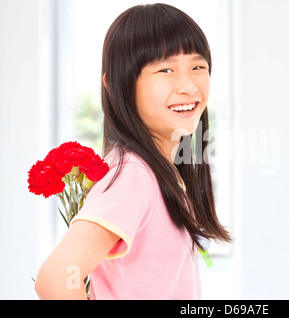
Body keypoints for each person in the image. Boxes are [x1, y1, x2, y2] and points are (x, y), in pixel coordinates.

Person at [34, 3, 231, 300]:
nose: (189, 86)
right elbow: (56, 280)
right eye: (165, 69)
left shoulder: (161, 172)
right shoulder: (132, 174)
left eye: (197, 67)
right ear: (116, 84)